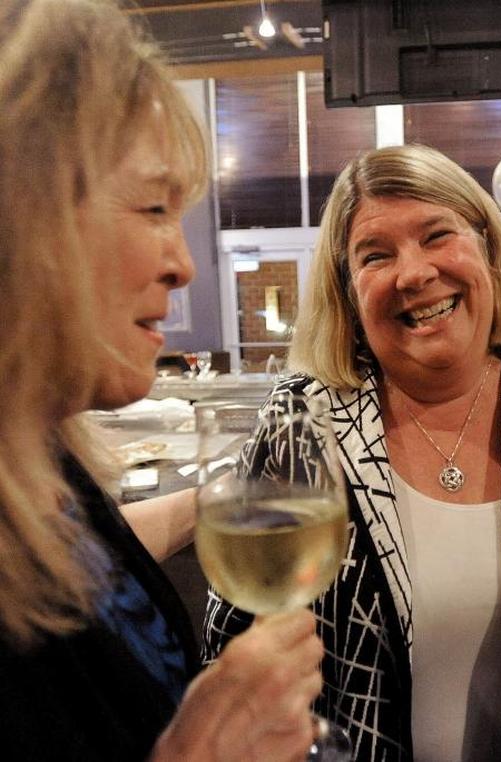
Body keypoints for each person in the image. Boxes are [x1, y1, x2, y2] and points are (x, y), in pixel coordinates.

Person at [204, 144, 501, 761]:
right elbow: (233, 641)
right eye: (376, 255)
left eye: (436, 235)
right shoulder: (302, 420)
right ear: (346, 293)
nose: (414, 273)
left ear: (486, 246)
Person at [0, 1, 324, 759]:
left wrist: (219, 506)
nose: (183, 265)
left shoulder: (40, 467)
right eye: (154, 206)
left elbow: (80, 572)